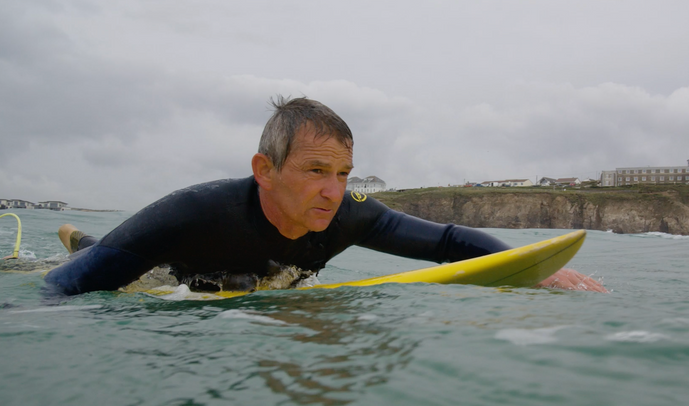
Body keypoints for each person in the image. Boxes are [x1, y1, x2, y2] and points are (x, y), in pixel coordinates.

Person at [45, 97, 606, 295]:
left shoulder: (350, 216)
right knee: (110, 268)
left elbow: (450, 241)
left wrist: (528, 268)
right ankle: (78, 238)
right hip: (169, 272)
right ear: (264, 170)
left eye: (344, 173)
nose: (334, 191)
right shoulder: (193, 212)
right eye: (316, 170)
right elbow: (63, 292)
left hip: (246, 282)